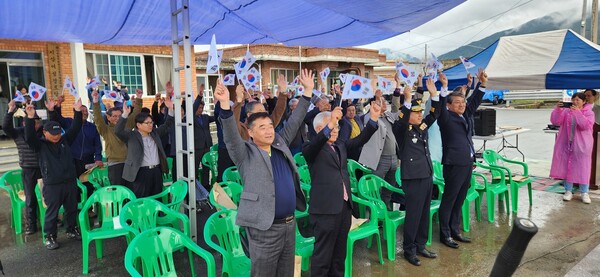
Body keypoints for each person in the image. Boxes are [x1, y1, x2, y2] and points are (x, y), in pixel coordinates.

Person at [216, 69, 314, 276]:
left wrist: (307, 93)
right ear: (250, 133)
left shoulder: (279, 143)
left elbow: (294, 121)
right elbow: (231, 136)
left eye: (270, 126)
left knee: (285, 273)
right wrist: (226, 105)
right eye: (262, 127)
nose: (269, 130)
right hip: (264, 229)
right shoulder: (245, 153)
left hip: (289, 225)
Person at [303, 101, 380, 276]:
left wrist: (373, 119)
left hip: (343, 208)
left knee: (339, 256)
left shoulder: (340, 146)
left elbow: (360, 139)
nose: (336, 129)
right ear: (319, 129)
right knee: (323, 257)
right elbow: (313, 147)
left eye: (337, 126)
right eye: (332, 126)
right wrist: (330, 122)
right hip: (325, 210)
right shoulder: (311, 148)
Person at [392, 79, 441, 266]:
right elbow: (402, 119)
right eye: (416, 112)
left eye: (421, 112)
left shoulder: (420, 128)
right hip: (412, 178)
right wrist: (406, 100)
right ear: (408, 114)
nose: (420, 115)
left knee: (424, 213)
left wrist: (435, 96)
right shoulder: (402, 131)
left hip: (426, 175)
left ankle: (421, 245)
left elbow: (434, 115)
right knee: (413, 214)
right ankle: (409, 249)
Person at [437, 70, 487, 248]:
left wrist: (481, 85)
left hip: (466, 163)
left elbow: (473, 102)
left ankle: (455, 230)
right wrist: (444, 88)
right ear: (449, 105)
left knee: (460, 198)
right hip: (453, 164)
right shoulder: (445, 118)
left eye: (462, 102)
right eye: (456, 102)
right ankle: (445, 234)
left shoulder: (463, 115)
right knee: (449, 198)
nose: (461, 105)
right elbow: (441, 106)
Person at [24, 99, 83, 250]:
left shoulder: (64, 141)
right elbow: (29, 137)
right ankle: (50, 236)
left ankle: (71, 229)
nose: (56, 136)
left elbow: (75, 128)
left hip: (69, 182)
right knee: (52, 212)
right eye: (53, 134)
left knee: (71, 208)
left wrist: (77, 111)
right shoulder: (40, 145)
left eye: (58, 133)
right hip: (52, 185)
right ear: (45, 132)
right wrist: (30, 118)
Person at [115, 94, 174, 198]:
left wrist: (170, 109)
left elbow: (167, 124)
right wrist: (125, 114)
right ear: (138, 125)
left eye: (151, 122)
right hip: (140, 173)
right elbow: (118, 131)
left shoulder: (155, 133)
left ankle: (156, 215)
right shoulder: (131, 135)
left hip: (156, 171)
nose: (150, 125)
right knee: (142, 200)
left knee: (157, 200)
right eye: (147, 123)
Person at [49, 95, 103, 199]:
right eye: (82, 111)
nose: (85, 113)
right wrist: (58, 105)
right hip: (72, 159)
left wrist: (98, 158)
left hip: (88, 160)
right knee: (74, 184)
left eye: (86, 111)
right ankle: (75, 206)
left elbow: (97, 144)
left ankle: (88, 209)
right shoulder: (69, 122)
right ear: (76, 112)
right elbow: (57, 119)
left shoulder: (92, 127)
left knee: (88, 184)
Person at [2, 100, 42, 235]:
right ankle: (31, 224)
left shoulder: (42, 133)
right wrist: (10, 111)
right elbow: (6, 127)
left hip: (43, 169)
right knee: (30, 198)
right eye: (34, 122)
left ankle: (47, 218)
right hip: (28, 169)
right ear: (25, 122)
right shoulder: (18, 133)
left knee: (45, 196)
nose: (37, 124)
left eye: (37, 122)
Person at [91, 88, 143, 190]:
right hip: (115, 165)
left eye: (119, 116)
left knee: (131, 191)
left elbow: (136, 113)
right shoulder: (105, 129)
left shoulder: (127, 124)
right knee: (118, 192)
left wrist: (139, 98)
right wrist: (96, 101)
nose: (117, 118)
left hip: (129, 163)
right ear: (108, 117)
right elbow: (97, 118)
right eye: (114, 116)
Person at [551, 92, 595, 203]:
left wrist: (578, 113)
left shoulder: (589, 113)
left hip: (582, 145)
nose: (575, 102)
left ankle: (584, 192)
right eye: (573, 99)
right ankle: (568, 190)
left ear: (584, 102)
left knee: (583, 168)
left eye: (578, 100)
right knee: (567, 167)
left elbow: (585, 126)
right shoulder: (567, 111)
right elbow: (556, 121)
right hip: (566, 143)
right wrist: (558, 110)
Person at [359, 97, 401, 210]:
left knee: (389, 188)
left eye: (384, 102)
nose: (384, 103)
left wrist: (404, 96)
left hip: (393, 158)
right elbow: (368, 120)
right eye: (380, 102)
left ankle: (385, 210)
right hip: (380, 159)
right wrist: (374, 111)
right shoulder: (371, 118)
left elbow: (399, 111)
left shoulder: (388, 116)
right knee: (375, 188)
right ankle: (373, 213)